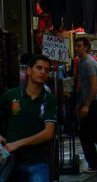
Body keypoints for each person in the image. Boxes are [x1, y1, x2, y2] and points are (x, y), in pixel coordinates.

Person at [0, 54, 57, 182]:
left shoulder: (49, 99)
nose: (43, 72)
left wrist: (18, 144)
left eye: (46, 70)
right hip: (11, 162)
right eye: (39, 68)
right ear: (29, 71)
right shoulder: (11, 95)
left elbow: (49, 132)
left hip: (38, 162)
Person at [75, 36, 97, 172]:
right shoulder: (82, 62)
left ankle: (96, 163)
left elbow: (94, 85)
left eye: (80, 46)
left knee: (90, 134)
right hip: (91, 102)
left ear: (86, 47)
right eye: (76, 46)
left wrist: (86, 105)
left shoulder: (88, 63)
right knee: (93, 134)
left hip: (94, 102)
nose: (77, 48)